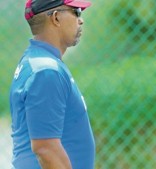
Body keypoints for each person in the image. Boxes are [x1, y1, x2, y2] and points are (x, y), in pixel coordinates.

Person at [9, 0, 94, 168]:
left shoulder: (38, 61)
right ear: (56, 18)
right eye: (76, 11)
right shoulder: (46, 71)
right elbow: (46, 149)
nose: (81, 19)